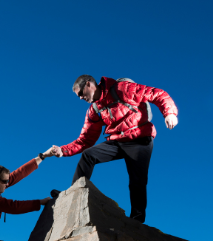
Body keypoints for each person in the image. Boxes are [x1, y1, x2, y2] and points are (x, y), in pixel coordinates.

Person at [51, 75, 178, 223]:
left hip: (139, 140)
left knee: (137, 181)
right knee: (88, 155)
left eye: (80, 94)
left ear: (88, 84)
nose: (80, 98)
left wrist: (169, 113)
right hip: (118, 142)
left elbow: (157, 94)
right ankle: (73, 194)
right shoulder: (95, 109)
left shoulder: (122, 89)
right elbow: (85, 139)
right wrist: (63, 150)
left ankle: (137, 220)